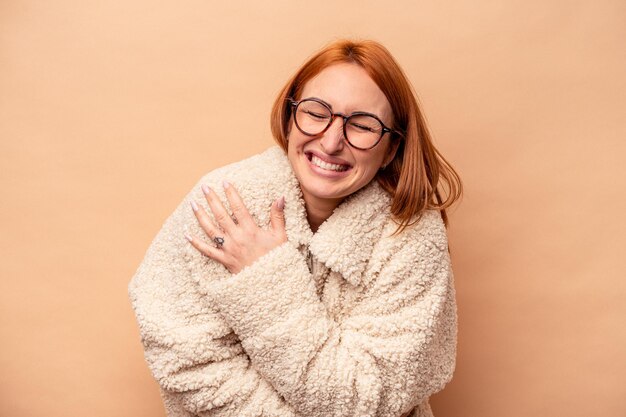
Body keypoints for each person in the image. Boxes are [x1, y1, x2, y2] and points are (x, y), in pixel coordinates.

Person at [128, 39, 462, 417]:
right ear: (290, 117)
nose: (332, 141)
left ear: (391, 149)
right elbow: (187, 365)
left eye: (363, 125)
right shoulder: (219, 206)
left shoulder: (413, 236)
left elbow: (372, 397)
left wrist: (266, 280)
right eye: (317, 112)